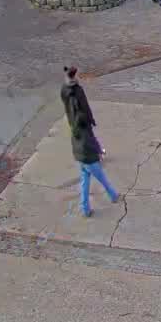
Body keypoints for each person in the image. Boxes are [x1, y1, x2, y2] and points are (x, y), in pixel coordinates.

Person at [62, 68, 119, 218]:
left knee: (85, 180)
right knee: (101, 178)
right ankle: (113, 195)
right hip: (88, 156)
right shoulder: (85, 128)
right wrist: (99, 151)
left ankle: (85, 208)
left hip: (79, 155)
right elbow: (92, 140)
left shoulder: (73, 125)